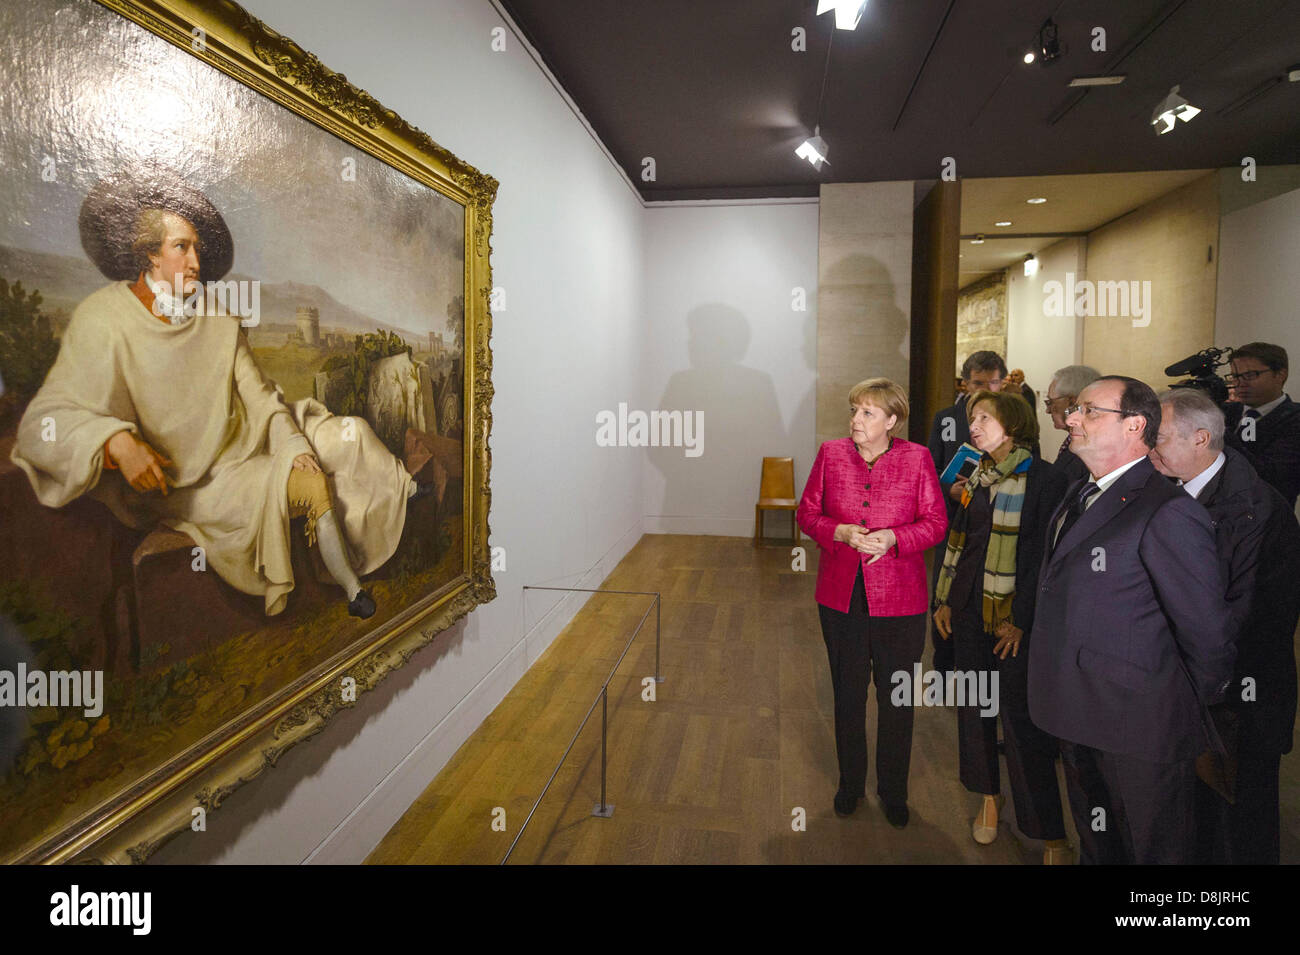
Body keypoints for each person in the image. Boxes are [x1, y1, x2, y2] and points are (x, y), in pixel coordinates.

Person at [10, 168, 420, 620]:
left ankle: (401, 499)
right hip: (195, 478)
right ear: (149, 254)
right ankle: (351, 589)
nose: (194, 263)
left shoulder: (215, 315)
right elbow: (43, 422)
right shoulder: (102, 318)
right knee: (310, 484)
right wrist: (114, 441)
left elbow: (261, 397)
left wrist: (293, 444)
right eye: (180, 247)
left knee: (353, 434)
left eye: (197, 250)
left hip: (250, 433)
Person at [1028, 376, 1235, 864]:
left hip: (1140, 726)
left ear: (1135, 425)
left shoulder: (1166, 511)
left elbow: (1207, 634)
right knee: (1100, 845)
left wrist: (1173, 709)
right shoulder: (1080, 493)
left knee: (1152, 849)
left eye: (1089, 411)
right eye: (1074, 410)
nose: (1071, 419)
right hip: (1080, 710)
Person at [1149, 388, 1300, 864]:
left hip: (1238, 697)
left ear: (1200, 438)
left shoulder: (1257, 509)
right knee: (1193, 820)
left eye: (1159, 437)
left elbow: (1250, 618)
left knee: (1241, 823)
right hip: (1187, 691)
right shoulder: (1167, 488)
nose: (1148, 447)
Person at [797, 378, 947, 828]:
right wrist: (837, 531)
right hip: (840, 596)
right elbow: (807, 513)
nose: (856, 420)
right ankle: (849, 784)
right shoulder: (831, 454)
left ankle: (893, 791)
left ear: (891, 421)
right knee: (847, 693)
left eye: (867, 413)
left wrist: (895, 538)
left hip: (900, 600)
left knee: (896, 696)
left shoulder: (917, 458)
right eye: (854, 410)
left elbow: (936, 523)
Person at [931, 390, 1071, 864]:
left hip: (1014, 619)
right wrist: (947, 599)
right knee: (974, 709)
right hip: (969, 609)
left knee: (1021, 723)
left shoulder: (1047, 479)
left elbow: (1046, 561)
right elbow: (961, 542)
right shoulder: (976, 473)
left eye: (984, 418)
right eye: (972, 418)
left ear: (1012, 424)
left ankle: (1051, 833)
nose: (974, 425)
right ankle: (989, 799)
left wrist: (1022, 620)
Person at [926, 351, 1035, 673]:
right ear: (964, 383)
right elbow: (932, 469)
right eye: (977, 383)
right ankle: (945, 670)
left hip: (1003, 524)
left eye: (993, 383)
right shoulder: (947, 417)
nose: (985, 388)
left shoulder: (1016, 418)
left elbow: (1029, 462)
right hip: (958, 523)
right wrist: (951, 490)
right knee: (947, 598)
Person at [1224, 342, 1300, 508]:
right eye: (1235, 377)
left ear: (1280, 375)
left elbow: (1271, 476)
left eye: (1250, 375)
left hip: (1268, 521)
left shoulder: (1294, 419)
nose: (1240, 383)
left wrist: (1219, 432)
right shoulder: (1225, 412)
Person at [1044, 365, 1100, 485]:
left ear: (1073, 402)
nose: (1047, 411)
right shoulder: (1074, 441)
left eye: (1051, 402)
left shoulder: (1088, 450)